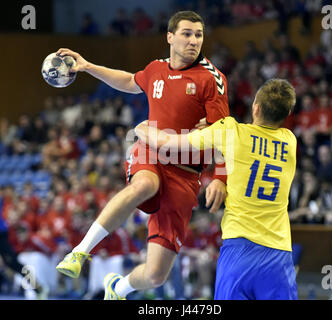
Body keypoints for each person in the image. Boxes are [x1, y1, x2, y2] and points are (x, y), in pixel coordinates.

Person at [55, 10, 229, 300]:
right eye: (186, 34)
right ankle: (79, 252)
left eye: (198, 35)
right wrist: (87, 66)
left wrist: (220, 178)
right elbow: (128, 81)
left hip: (186, 174)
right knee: (145, 185)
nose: (194, 41)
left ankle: (118, 288)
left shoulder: (212, 79)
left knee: (155, 275)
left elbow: (223, 132)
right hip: (150, 149)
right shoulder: (156, 68)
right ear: (170, 37)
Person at [136, 78, 298, 299]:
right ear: (287, 114)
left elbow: (167, 143)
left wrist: (142, 128)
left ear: (256, 107)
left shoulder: (231, 131)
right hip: (279, 254)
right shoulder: (290, 141)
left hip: (239, 250)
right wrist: (220, 178)